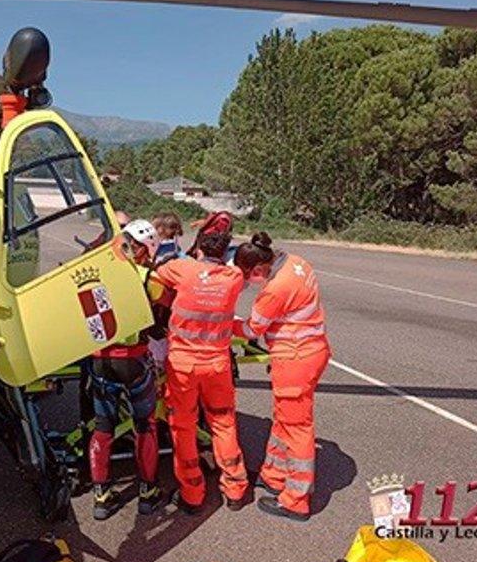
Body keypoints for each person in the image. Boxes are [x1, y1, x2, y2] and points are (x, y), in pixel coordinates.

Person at [233, 232, 331, 522]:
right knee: (283, 420)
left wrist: (226, 324)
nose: (250, 281)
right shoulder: (297, 263)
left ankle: (296, 500)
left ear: (260, 269)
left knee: (296, 426)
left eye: (249, 276)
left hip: (296, 357)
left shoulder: (276, 288)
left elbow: (252, 330)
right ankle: (274, 477)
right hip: (310, 350)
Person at [155, 231, 249, 513]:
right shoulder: (234, 279)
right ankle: (235, 490)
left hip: (183, 366)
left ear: (197, 250)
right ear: (224, 254)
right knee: (223, 423)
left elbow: (158, 274)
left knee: (183, 427)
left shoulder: (184, 269)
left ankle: (192, 494)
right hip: (217, 366)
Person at [88, 219, 171, 520]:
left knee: (102, 428)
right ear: (146, 251)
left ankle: (102, 496)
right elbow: (167, 305)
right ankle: (148, 492)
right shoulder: (149, 277)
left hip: (100, 360)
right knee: (145, 426)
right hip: (133, 361)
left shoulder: (96, 273)